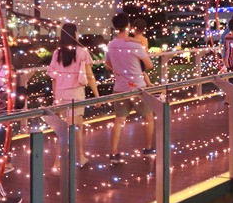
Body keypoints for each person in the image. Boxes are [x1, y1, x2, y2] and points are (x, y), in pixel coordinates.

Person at [104, 13, 155, 163]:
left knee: (119, 120)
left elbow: (108, 65)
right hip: (138, 87)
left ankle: (114, 153)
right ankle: (147, 148)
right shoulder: (135, 44)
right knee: (149, 117)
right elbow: (149, 65)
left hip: (119, 87)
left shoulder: (111, 44)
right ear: (128, 25)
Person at [47, 23, 99, 167]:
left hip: (61, 95)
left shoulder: (58, 53)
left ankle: (79, 156)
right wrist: (96, 94)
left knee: (68, 128)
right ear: (74, 34)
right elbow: (90, 75)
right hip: (76, 95)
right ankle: (59, 161)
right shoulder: (82, 52)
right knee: (72, 129)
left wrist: (55, 98)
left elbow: (54, 78)